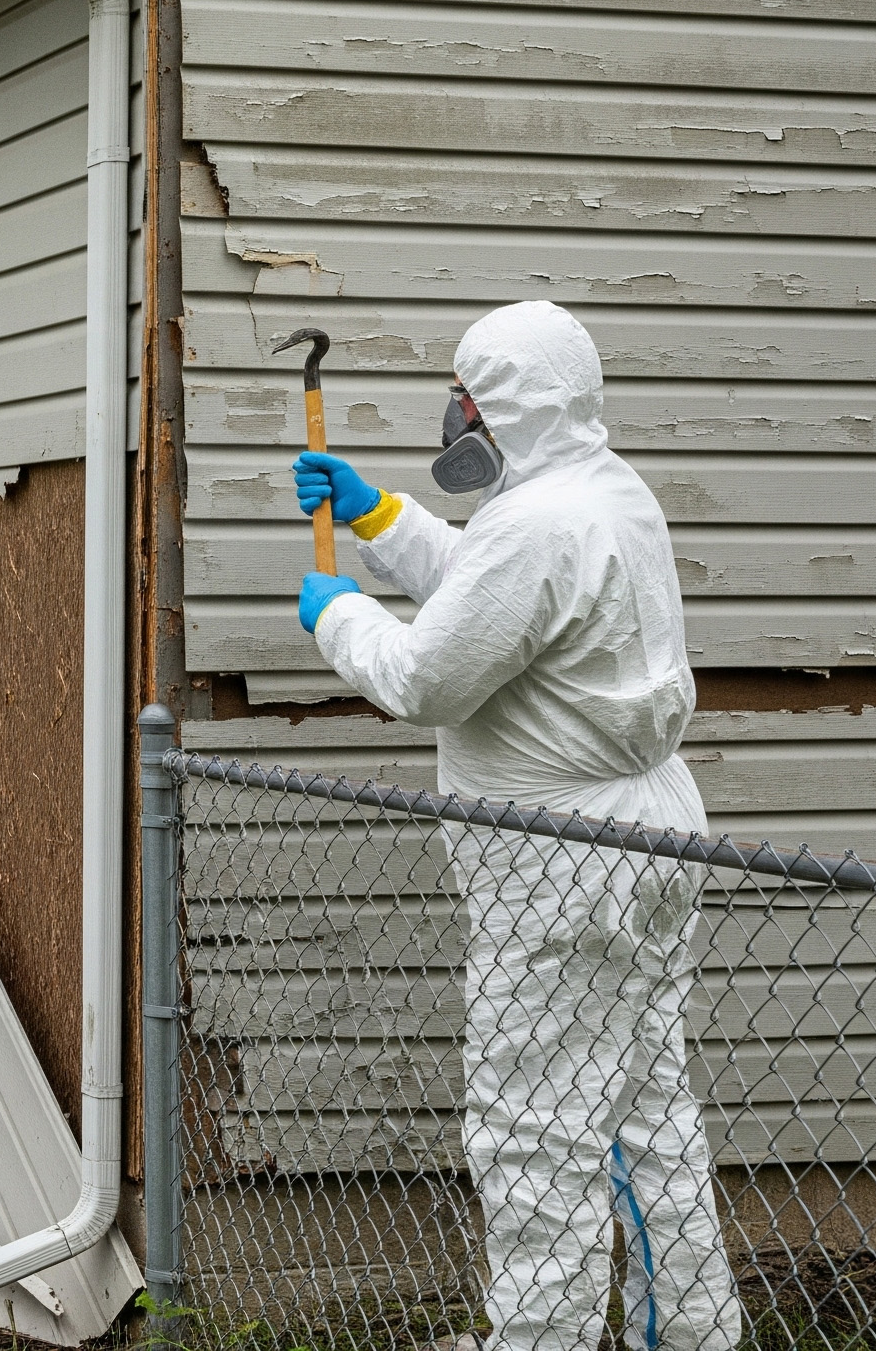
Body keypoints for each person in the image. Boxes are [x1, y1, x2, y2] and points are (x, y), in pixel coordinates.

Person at [290, 302, 743, 1351]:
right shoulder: (597, 494)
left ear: (506, 406)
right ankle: (687, 1337)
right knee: (643, 1118)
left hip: (560, 876)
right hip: (642, 845)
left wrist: (337, 615)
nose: (455, 418)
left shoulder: (539, 522)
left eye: (467, 399)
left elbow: (426, 675)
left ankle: (536, 1342)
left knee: (535, 1135)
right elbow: (492, 600)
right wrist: (381, 520)